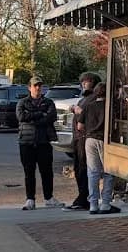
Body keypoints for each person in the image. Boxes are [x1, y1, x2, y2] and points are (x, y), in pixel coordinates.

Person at [17, 76, 61, 210]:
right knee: (29, 172)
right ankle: (30, 199)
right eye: (35, 85)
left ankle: (49, 198)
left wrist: (34, 117)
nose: (38, 88)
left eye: (39, 86)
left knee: (46, 171)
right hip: (26, 141)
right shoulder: (23, 102)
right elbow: (21, 117)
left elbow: (51, 117)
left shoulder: (48, 102)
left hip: (44, 142)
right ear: (29, 87)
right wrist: (39, 114)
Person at [79, 82, 120, 214]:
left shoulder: (88, 106)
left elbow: (80, 126)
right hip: (105, 140)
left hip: (89, 139)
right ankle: (106, 203)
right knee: (109, 172)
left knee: (93, 172)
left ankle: (93, 204)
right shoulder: (111, 107)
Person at [67, 72, 100, 210]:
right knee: (78, 168)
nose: (84, 83)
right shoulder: (83, 99)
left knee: (85, 169)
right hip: (77, 138)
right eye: (83, 81)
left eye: (87, 81)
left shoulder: (94, 99)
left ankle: (84, 198)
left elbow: (88, 116)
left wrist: (77, 110)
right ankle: (81, 196)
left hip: (85, 138)